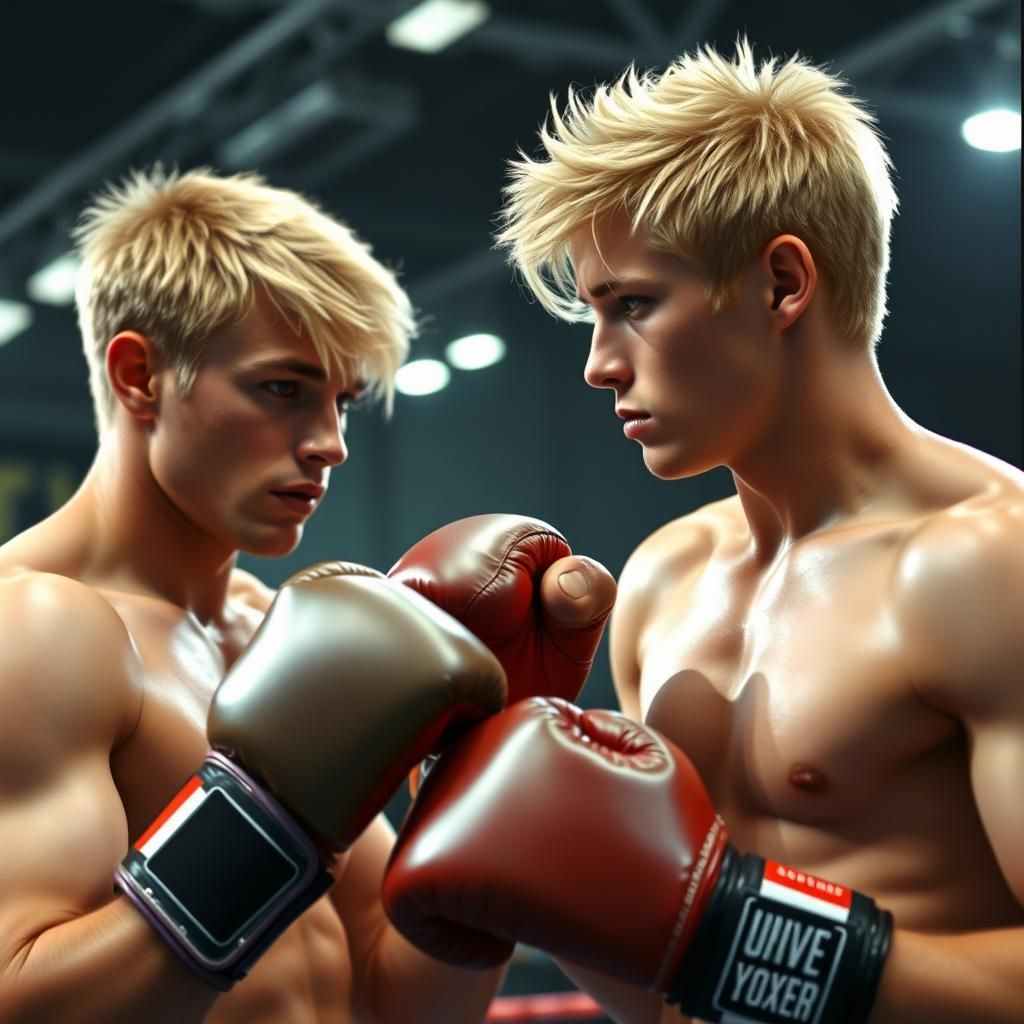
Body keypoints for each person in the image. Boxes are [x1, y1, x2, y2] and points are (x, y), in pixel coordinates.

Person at [379, 39, 1024, 1024]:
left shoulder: (985, 564)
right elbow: (676, 997)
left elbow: (716, 946)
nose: (598, 365)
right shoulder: (665, 579)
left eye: (633, 305)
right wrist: (513, 842)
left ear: (780, 283)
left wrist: (736, 933)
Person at [0, 166, 616, 1023]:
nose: (330, 444)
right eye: (282, 389)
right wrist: (269, 820)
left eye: (342, 401)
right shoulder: (37, 630)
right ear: (140, 374)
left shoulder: (273, 628)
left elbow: (400, 1000)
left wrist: (477, 789)